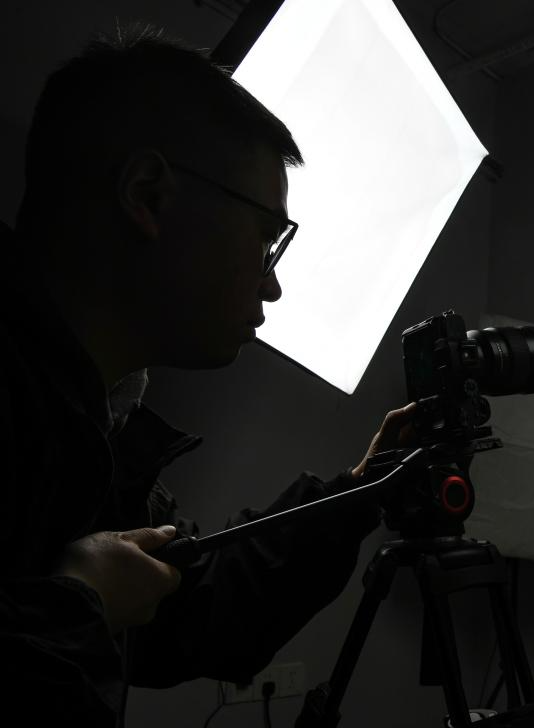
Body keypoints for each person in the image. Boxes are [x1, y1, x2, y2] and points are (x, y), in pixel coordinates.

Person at [0, 26, 412, 725]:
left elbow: (191, 610)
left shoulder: (103, 426)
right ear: (149, 195)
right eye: (267, 236)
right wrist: (79, 606)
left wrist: (364, 488)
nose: (273, 284)